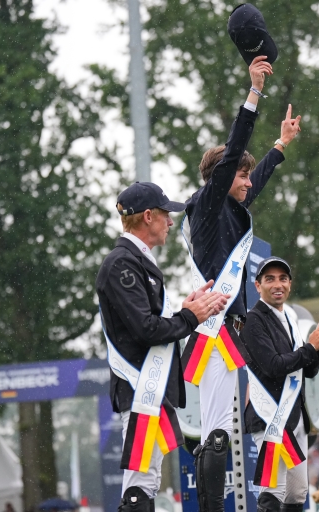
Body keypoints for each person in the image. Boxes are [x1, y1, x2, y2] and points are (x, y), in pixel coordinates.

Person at [181, 50, 302, 512]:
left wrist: (281, 146)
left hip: (233, 334)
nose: (249, 181)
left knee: (236, 432)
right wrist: (254, 91)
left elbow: (258, 179)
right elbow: (234, 149)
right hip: (211, 334)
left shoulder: (233, 208)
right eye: (242, 174)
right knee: (216, 437)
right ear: (221, 177)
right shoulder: (208, 206)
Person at [96, 182, 230, 511]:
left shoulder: (133, 262)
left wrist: (183, 309)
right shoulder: (122, 264)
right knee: (139, 487)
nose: (171, 222)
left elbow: (151, 321)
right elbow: (146, 329)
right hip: (140, 390)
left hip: (150, 390)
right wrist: (190, 316)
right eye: (166, 215)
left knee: (147, 483)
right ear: (147, 217)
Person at [241, 257, 319, 512]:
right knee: (273, 490)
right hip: (269, 415)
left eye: (283, 278)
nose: (277, 284)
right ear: (257, 285)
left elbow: (309, 370)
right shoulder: (254, 320)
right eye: (270, 279)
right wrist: (311, 346)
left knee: (297, 492)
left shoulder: (290, 321)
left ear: (290, 284)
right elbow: (273, 366)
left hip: (294, 417)